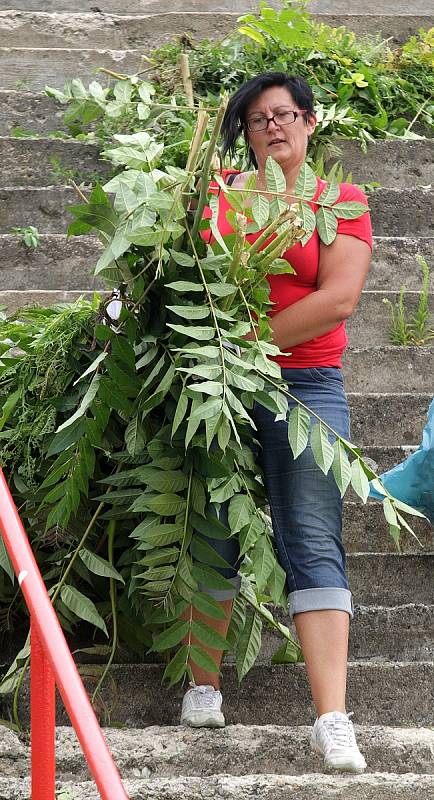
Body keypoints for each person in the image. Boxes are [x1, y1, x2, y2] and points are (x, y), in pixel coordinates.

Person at [179, 72, 373, 774]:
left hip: (305, 385)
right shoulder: (220, 195)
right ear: (245, 132)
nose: (272, 127)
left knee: (312, 536)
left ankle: (332, 719)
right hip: (218, 383)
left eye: (285, 114)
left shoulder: (339, 201)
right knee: (207, 527)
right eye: (257, 119)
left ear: (310, 122)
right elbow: (188, 276)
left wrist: (242, 347)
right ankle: (202, 689)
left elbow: (338, 299)